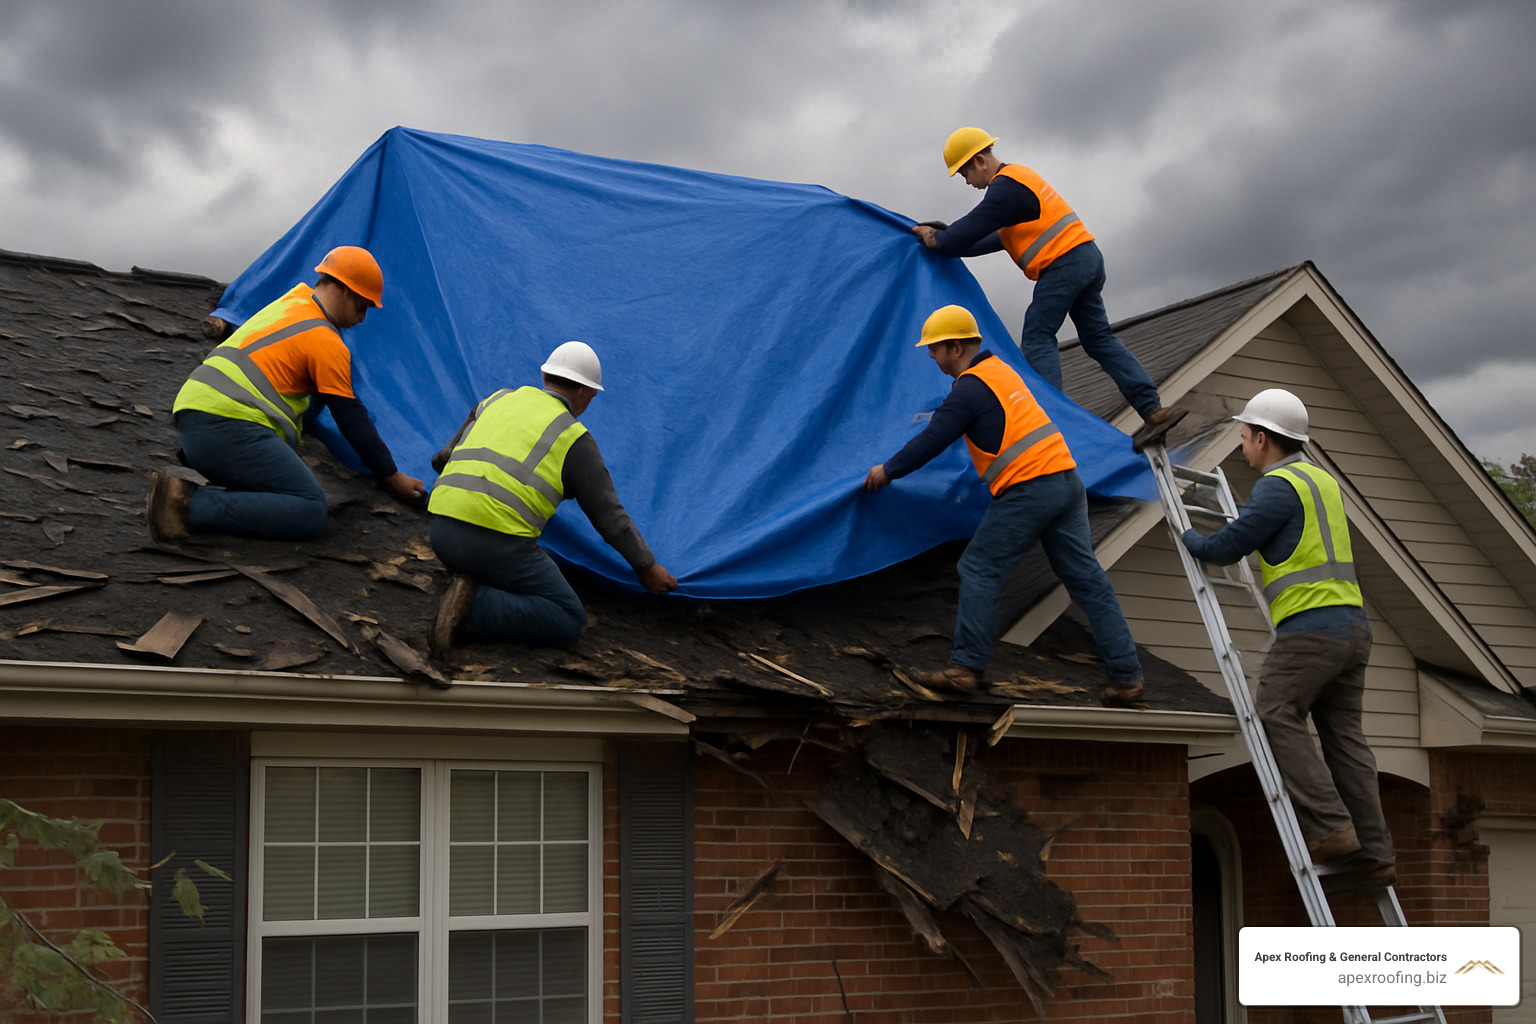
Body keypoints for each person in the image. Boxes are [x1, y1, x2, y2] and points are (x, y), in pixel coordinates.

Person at [863, 304, 1144, 706]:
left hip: (1031, 487)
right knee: (1087, 579)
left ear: (956, 348)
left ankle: (964, 668)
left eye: (934, 349)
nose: (931, 356)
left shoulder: (970, 388)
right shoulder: (1001, 372)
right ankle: (1127, 676)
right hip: (1067, 482)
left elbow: (933, 439)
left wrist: (887, 471)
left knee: (978, 567)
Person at [1181, 388, 1394, 884]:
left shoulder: (1277, 486)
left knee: (1276, 710)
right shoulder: (1322, 481)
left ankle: (1332, 828)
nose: (1241, 445)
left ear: (1263, 438)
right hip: (1352, 628)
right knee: (1346, 742)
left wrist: (1189, 536)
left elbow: (1230, 545)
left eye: (1244, 436)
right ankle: (1377, 853)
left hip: (1311, 629)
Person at [913, 127, 1185, 452]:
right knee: (1099, 339)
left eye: (965, 173)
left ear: (981, 161)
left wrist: (933, 238)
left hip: (1064, 263)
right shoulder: (1017, 186)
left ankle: (1054, 419)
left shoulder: (1005, 188)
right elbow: (979, 239)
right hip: (1085, 257)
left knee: (1037, 335)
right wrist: (947, 238)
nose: (967, 182)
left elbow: (965, 232)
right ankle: (1153, 411)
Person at [145, 245, 426, 542]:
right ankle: (183, 505)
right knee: (309, 508)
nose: (362, 318)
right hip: (226, 427)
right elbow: (350, 416)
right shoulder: (325, 341)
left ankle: (218, 477)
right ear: (345, 290)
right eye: (362, 307)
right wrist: (392, 476)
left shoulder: (292, 302)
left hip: (193, 416)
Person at [427, 341, 678, 652]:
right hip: (492, 543)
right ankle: (473, 606)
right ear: (586, 392)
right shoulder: (574, 438)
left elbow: (442, 458)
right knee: (566, 616)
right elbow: (610, 517)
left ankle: (471, 579)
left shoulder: (496, 399)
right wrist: (648, 568)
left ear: (545, 374)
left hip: (440, 531)